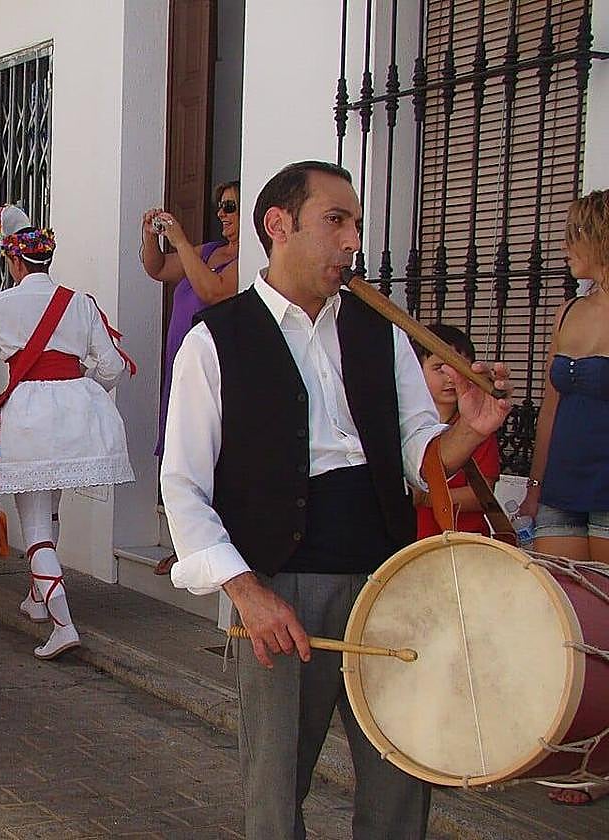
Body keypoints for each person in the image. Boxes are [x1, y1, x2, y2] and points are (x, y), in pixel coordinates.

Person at [161, 160, 513, 839]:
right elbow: (182, 484)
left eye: (355, 224)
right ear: (279, 226)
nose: (353, 240)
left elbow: (419, 453)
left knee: (403, 774)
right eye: (336, 221)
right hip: (283, 587)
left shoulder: (377, 330)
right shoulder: (217, 340)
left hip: (387, 577)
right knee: (275, 787)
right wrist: (246, 592)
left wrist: (470, 428)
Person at [0, 205, 135, 659]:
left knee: (32, 520)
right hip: (74, 414)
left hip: (29, 416)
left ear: (14, 262)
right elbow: (112, 366)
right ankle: (38, 597)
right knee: (51, 507)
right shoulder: (81, 302)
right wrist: (84, 386)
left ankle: (62, 623)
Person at [519, 190, 609, 808]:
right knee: (565, 622)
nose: (565, 248)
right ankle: (573, 748)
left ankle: (601, 758)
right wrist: (534, 485)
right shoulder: (568, 312)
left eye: (573, 235)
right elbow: (551, 406)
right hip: (565, 488)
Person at [142, 180, 241, 459]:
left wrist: (181, 241)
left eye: (230, 207)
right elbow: (159, 268)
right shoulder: (210, 251)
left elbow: (213, 290)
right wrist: (150, 236)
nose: (221, 213)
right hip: (180, 354)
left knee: (202, 438)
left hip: (213, 360)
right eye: (219, 207)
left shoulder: (246, 258)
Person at [413, 323, 501, 539]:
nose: (451, 377)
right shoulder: (404, 425)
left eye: (459, 367)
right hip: (409, 545)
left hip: (464, 543)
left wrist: (425, 498)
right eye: (439, 368)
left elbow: (481, 495)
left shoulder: (478, 429)